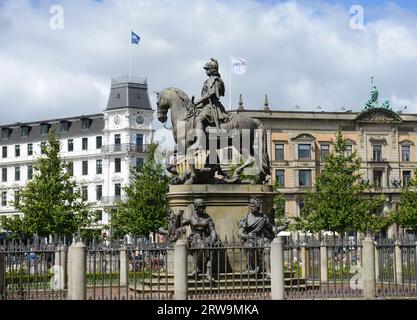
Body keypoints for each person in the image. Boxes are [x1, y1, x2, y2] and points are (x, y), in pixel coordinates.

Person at [239, 196, 289, 278]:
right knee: (250, 246)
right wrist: (247, 236)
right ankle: (255, 267)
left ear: (258, 206)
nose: (252, 207)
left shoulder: (264, 217)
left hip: (262, 238)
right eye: (251, 206)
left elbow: (273, 229)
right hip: (251, 239)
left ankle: (268, 272)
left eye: (254, 206)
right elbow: (240, 233)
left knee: (267, 248)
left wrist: (284, 227)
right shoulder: (247, 217)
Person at [191, 58, 229, 149]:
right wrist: (195, 106)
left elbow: (211, 93)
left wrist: (197, 101)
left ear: (212, 70)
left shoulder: (215, 80)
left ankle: (200, 142)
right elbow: (205, 101)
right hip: (207, 105)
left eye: (207, 69)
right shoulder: (208, 80)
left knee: (198, 119)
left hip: (213, 106)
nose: (205, 71)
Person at [182, 198, 219, 281]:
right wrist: (178, 217)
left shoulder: (207, 217)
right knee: (203, 246)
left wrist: (213, 238)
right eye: (200, 207)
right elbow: (179, 224)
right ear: (196, 207)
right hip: (194, 238)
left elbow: (212, 230)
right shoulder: (191, 217)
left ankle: (208, 274)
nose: (202, 209)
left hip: (205, 238)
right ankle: (197, 267)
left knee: (210, 248)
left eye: (203, 207)